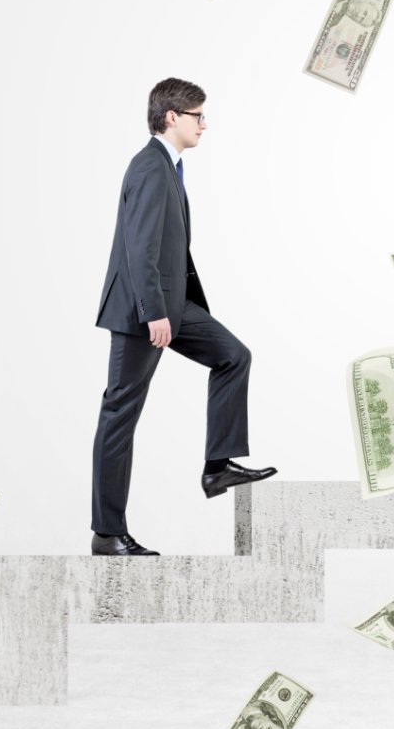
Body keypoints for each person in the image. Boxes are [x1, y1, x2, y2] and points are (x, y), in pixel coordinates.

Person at [90, 78, 274, 555]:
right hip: (141, 311)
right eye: (198, 116)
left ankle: (218, 466)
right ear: (172, 117)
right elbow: (140, 248)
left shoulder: (170, 166)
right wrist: (153, 312)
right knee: (119, 417)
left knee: (234, 356)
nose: (204, 124)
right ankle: (107, 533)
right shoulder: (150, 167)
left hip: (173, 305)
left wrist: (173, 308)